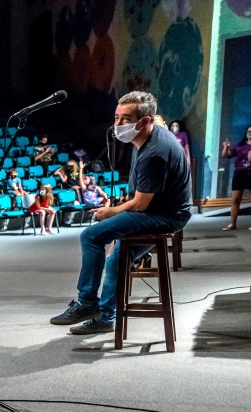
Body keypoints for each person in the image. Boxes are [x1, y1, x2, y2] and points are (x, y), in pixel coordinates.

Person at [49, 91, 191, 335]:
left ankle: (86, 304)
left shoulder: (155, 152)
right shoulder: (146, 135)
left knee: (91, 236)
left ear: (145, 121)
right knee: (115, 261)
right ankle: (106, 318)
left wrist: (112, 213)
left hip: (166, 215)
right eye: (116, 117)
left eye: (125, 119)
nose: (117, 124)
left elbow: (141, 205)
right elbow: (140, 195)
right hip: (160, 209)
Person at [220, 125, 251, 231]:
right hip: (239, 174)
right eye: (249, 131)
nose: (250, 133)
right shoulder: (240, 145)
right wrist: (226, 146)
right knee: (236, 200)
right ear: (246, 133)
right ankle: (233, 224)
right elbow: (225, 155)